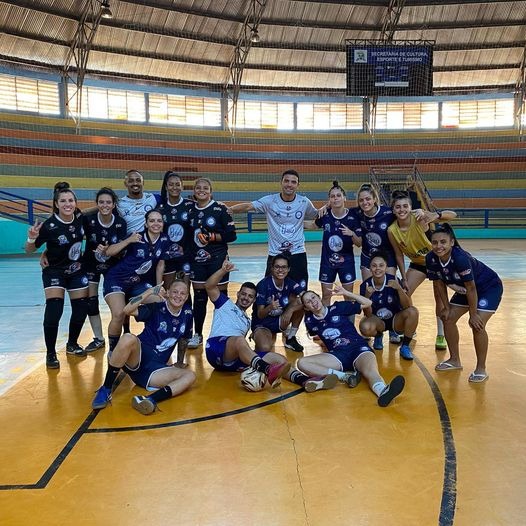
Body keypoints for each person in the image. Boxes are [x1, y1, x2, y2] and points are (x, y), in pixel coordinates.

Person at [91, 281, 195, 414]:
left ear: (186, 297)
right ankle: (105, 389)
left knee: (190, 376)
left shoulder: (187, 313)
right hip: (137, 357)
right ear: (167, 293)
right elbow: (127, 310)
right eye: (175, 292)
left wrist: (180, 362)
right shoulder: (156, 308)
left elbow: (184, 339)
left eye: (182, 293)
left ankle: (148, 400)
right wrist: (149, 292)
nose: (178, 296)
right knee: (128, 337)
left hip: (155, 370)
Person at [300, 287, 405, 406]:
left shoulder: (338, 307)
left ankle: (383, 391)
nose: (312, 302)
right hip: (338, 355)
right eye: (308, 301)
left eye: (313, 297)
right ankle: (345, 376)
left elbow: (368, 303)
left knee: (370, 372)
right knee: (302, 363)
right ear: (306, 307)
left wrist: (346, 293)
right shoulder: (310, 322)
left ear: (319, 297)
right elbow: (318, 336)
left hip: (358, 348)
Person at [427, 224, 503, 383]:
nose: (439, 246)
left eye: (443, 242)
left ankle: (481, 368)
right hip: (465, 290)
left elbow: (472, 288)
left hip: (487, 287)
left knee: (477, 324)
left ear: (451, 242)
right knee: (447, 318)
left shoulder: (460, 258)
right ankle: (455, 360)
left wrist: (473, 314)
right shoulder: (431, 258)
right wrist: (446, 308)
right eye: (435, 242)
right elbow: (438, 284)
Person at [25, 183, 89, 369]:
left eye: (71, 200)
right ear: (56, 204)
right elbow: (29, 250)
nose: (67, 204)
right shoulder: (49, 226)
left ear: (76, 203)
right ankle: (50, 353)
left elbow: (93, 210)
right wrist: (31, 237)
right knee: (54, 309)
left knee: (81, 309)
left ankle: (72, 344)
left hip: (76, 269)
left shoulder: (79, 218)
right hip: (54, 271)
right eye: (63, 201)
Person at [204, 258, 291, 388]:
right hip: (216, 349)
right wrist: (223, 271)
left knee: (280, 360)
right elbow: (209, 286)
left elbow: (242, 348)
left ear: (254, 300)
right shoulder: (224, 303)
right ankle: (266, 369)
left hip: (232, 362)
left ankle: (304, 380)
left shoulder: (247, 321)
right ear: (238, 294)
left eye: (250, 296)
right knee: (239, 340)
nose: (246, 298)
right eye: (243, 294)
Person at [103, 209, 179, 356]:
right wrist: (128, 240)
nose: (155, 223)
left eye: (159, 220)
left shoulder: (164, 240)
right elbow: (109, 252)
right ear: (146, 223)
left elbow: (160, 265)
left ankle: (149, 340)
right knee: (119, 314)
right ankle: (113, 349)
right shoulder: (136, 236)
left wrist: (158, 286)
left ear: (163, 224)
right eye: (152, 220)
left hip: (137, 283)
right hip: (117, 279)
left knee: (159, 301)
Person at [387, 189, 457, 351]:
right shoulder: (392, 230)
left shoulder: (418, 218)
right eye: (398, 207)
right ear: (393, 210)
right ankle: (410, 325)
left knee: (440, 299)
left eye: (405, 206)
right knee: (403, 294)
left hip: (436, 262)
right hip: (418, 264)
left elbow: (453, 215)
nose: (402, 209)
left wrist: (434, 215)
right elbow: (398, 255)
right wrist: (403, 277)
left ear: (410, 207)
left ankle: (440, 335)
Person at [229, 169, 319, 290]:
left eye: (293, 182)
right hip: (275, 253)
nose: (289, 184)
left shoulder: (304, 202)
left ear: (298, 185)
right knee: (269, 291)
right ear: (281, 182)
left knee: (300, 292)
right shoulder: (270, 201)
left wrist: (328, 208)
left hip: (298, 253)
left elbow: (317, 216)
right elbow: (249, 206)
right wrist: (229, 210)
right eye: (286, 181)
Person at [186, 177, 237, 349]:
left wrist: (212, 237)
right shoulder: (189, 210)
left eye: (205, 188)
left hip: (217, 261)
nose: (201, 190)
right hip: (197, 262)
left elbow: (232, 235)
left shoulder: (220, 209)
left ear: (211, 191)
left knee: (220, 298)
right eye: (198, 187)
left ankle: (223, 332)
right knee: (199, 299)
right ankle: (198, 334)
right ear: (194, 191)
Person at [81, 187, 128, 352]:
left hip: (112, 267)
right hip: (91, 265)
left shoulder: (120, 223)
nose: (105, 205)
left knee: (118, 304)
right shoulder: (89, 220)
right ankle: (98, 338)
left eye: (108, 202)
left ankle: (123, 335)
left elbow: (122, 249)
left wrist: (110, 249)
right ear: (97, 204)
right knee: (91, 301)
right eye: (101, 202)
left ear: (114, 204)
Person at [354, 183, 400, 344]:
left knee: (391, 293)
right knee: (369, 293)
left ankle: (393, 329)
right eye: (361, 200)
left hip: (387, 259)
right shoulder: (358, 214)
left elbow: (406, 215)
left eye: (368, 199)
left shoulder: (388, 212)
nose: (365, 202)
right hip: (368, 258)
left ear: (375, 199)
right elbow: (339, 210)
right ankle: (378, 331)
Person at [359, 251, 419, 360]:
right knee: (365, 326)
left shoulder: (394, 280)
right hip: (378, 321)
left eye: (381, 265)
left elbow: (407, 306)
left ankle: (405, 346)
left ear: (386, 267)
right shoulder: (365, 285)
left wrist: (399, 289)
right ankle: (378, 335)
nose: (378, 268)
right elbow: (368, 314)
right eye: (374, 266)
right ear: (370, 268)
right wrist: (367, 296)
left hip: (396, 321)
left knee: (413, 312)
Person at [311, 180, 361, 306]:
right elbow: (312, 225)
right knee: (326, 296)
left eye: (338, 195)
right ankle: (325, 324)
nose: (336, 198)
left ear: (344, 198)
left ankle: (349, 325)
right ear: (329, 200)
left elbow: (359, 243)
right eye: (332, 196)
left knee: (348, 297)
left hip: (347, 262)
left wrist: (352, 234)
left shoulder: (353, 215)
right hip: (327, 262)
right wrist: (293, 221)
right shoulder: (325, 215)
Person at [251, 254, 305, 353]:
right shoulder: (263, 285)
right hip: (263, 324)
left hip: (280, 321)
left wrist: (290, 310)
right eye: (277, 267)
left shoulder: (289, 282)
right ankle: (257, 336)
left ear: (288, 269)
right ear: (272, 268)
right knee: (265, 348)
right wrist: (270, 307)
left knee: (302, 301)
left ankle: (290, 337)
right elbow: (260, 314)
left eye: (284, 267)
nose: (280, 270)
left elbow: (305, 296)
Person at [156, 171, 193, 289]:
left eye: (177, 184)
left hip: (185, 257)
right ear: (166, 187)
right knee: (169, 291)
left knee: (183, 291)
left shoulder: (190, 205)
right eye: (171, 184)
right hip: (167, 259)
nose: (174, 187)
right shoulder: (160, 209)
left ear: (182, 186)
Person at [117, 169, 161, 235]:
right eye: (131, 181)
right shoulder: (119, 203)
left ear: (143, 182)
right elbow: (103, 207)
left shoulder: (154, 198)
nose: (135, 183)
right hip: (130, 242)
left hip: (150, 242)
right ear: (125, 184)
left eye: (138, 180)